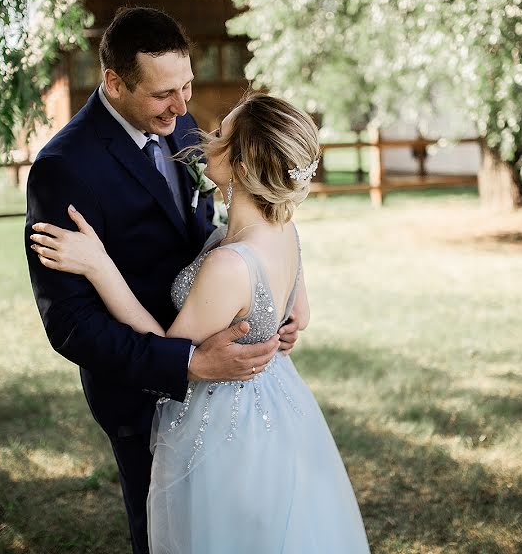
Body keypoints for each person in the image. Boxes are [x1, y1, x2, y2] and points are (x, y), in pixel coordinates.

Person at [29, 92, 370, 553]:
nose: (207, 138)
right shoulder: (284, 228)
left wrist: (99, 266)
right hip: (276, 403)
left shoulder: (231, 264)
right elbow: (300, 315)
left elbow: (165, 346)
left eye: (223, 135)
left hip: (223, 423)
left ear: (244, 167)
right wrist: (274, 323)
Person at [24, 7, 301, 554]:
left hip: (227, 389)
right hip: (140, 390)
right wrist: (188, 363)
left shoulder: (179, 127)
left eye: (188, 86)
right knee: (164, 533)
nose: (182, 106)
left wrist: (271, 304)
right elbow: (70, 324)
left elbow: (210, 231)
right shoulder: (64, 167)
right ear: (114, 82)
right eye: (162, 94)